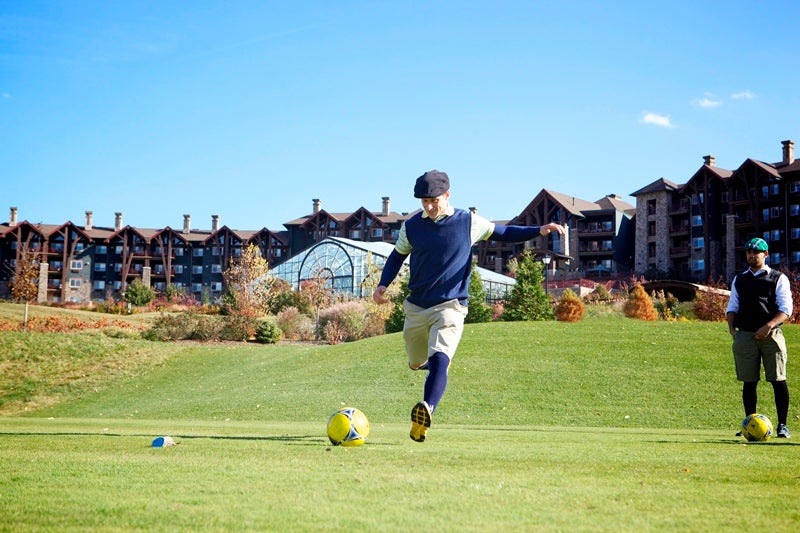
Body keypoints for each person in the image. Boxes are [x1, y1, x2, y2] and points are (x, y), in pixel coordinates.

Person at [373, 170, 565, 442]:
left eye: (433, 200)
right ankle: (432, 369)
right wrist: (383, 284)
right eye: (423, 201)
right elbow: (396, 256)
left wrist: (539, 230)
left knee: (442, 355)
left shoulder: (468, 222)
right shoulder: (412, 226)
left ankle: (426, 410)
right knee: (416, 363)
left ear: (447, 195)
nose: (428, 206)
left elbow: (503, 232)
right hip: (416, 306)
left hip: (451, 305)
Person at [726, 237, 792, 438]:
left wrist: (769, 326)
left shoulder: (778, 278)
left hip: (771, 335)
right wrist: (732, 330)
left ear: (766, 254)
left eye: (756, 252)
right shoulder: (740, 279)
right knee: (749, 381)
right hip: (745, 335)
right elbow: (732, 306)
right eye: (748, 252)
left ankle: (782, 425)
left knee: (778, 380)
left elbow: (786, 309)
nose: (751, 255)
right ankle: (750, 424)